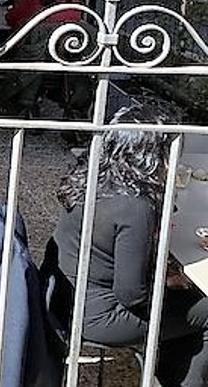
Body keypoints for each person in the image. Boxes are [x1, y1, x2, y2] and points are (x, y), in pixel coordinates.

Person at [51, 104, 208, 387]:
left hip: (64, 297)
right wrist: (170, 281)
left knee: (187, 305)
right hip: (99, 317)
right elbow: (132, 295)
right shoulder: (134, 206)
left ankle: (169, 371)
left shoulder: (90, 177)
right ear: (151, 157)